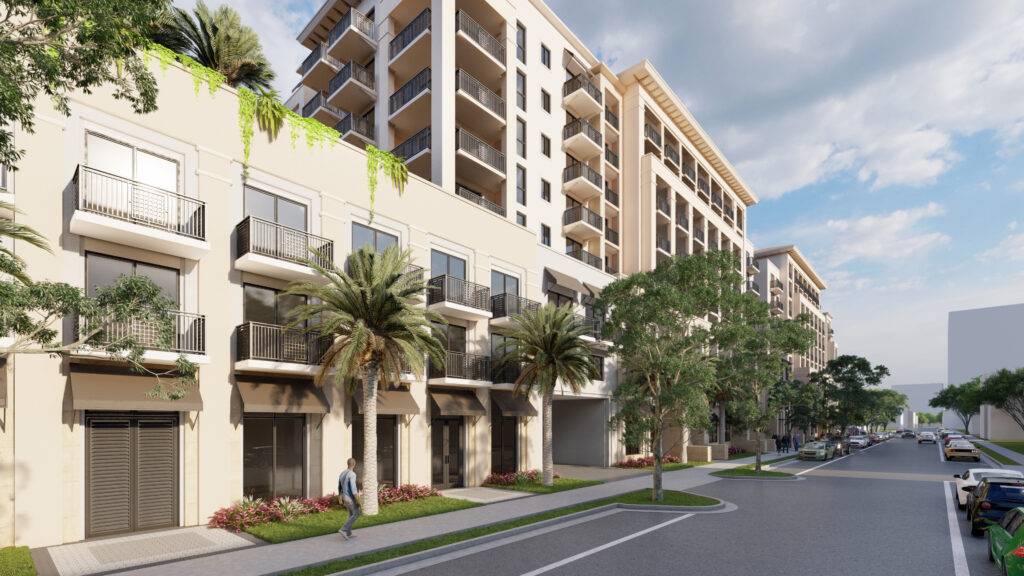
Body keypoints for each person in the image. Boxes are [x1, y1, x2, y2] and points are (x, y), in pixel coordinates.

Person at [338, 458, 360, 540]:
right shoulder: (352, 474)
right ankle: (343, 529)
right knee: (357, 513)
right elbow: (353, 489)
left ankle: (348, 532)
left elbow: (339, 487)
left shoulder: (342, 473)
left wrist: (340, 498)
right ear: (354, 464)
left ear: (348, 464)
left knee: (351, 514)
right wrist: (357, 500)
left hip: (344, 497)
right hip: (350, 498)